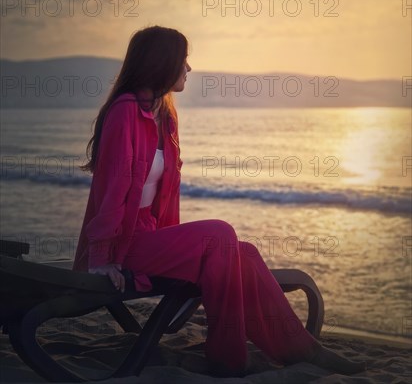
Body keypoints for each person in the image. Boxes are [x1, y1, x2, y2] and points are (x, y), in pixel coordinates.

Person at [74, 25, 366, 377]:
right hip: (123, 247)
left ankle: (300, 348)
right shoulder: (125, 111)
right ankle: (232, 358)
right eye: (184, 60)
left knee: (244, 253)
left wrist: (177, 251)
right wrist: (102, 257)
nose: (189, 68)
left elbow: (162, 196)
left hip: (148, 237)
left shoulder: (163, 115)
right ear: (162, 63)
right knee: (222, 233)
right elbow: (113, 189)